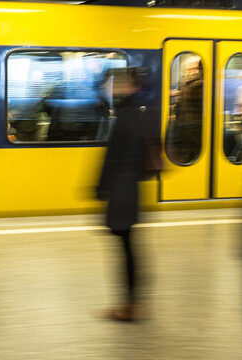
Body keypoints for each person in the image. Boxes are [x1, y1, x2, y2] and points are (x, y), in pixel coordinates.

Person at [95, 67, 148, 321]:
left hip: (122, 192)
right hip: (129, 190)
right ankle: (131, 303)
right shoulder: (133, 114)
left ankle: (131, 305)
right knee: (128, 248)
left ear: (126, 86)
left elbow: (113, 158)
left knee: (127, 250)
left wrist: (101, 187)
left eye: (114, 84)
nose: (111, 89)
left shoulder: (127, 116)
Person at [170, 56, 203, 164]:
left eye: (193, 69)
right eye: (189, 69)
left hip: (185, 127)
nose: (191, 72)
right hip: (194, 128)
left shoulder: (186, 84)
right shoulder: (197, 85)